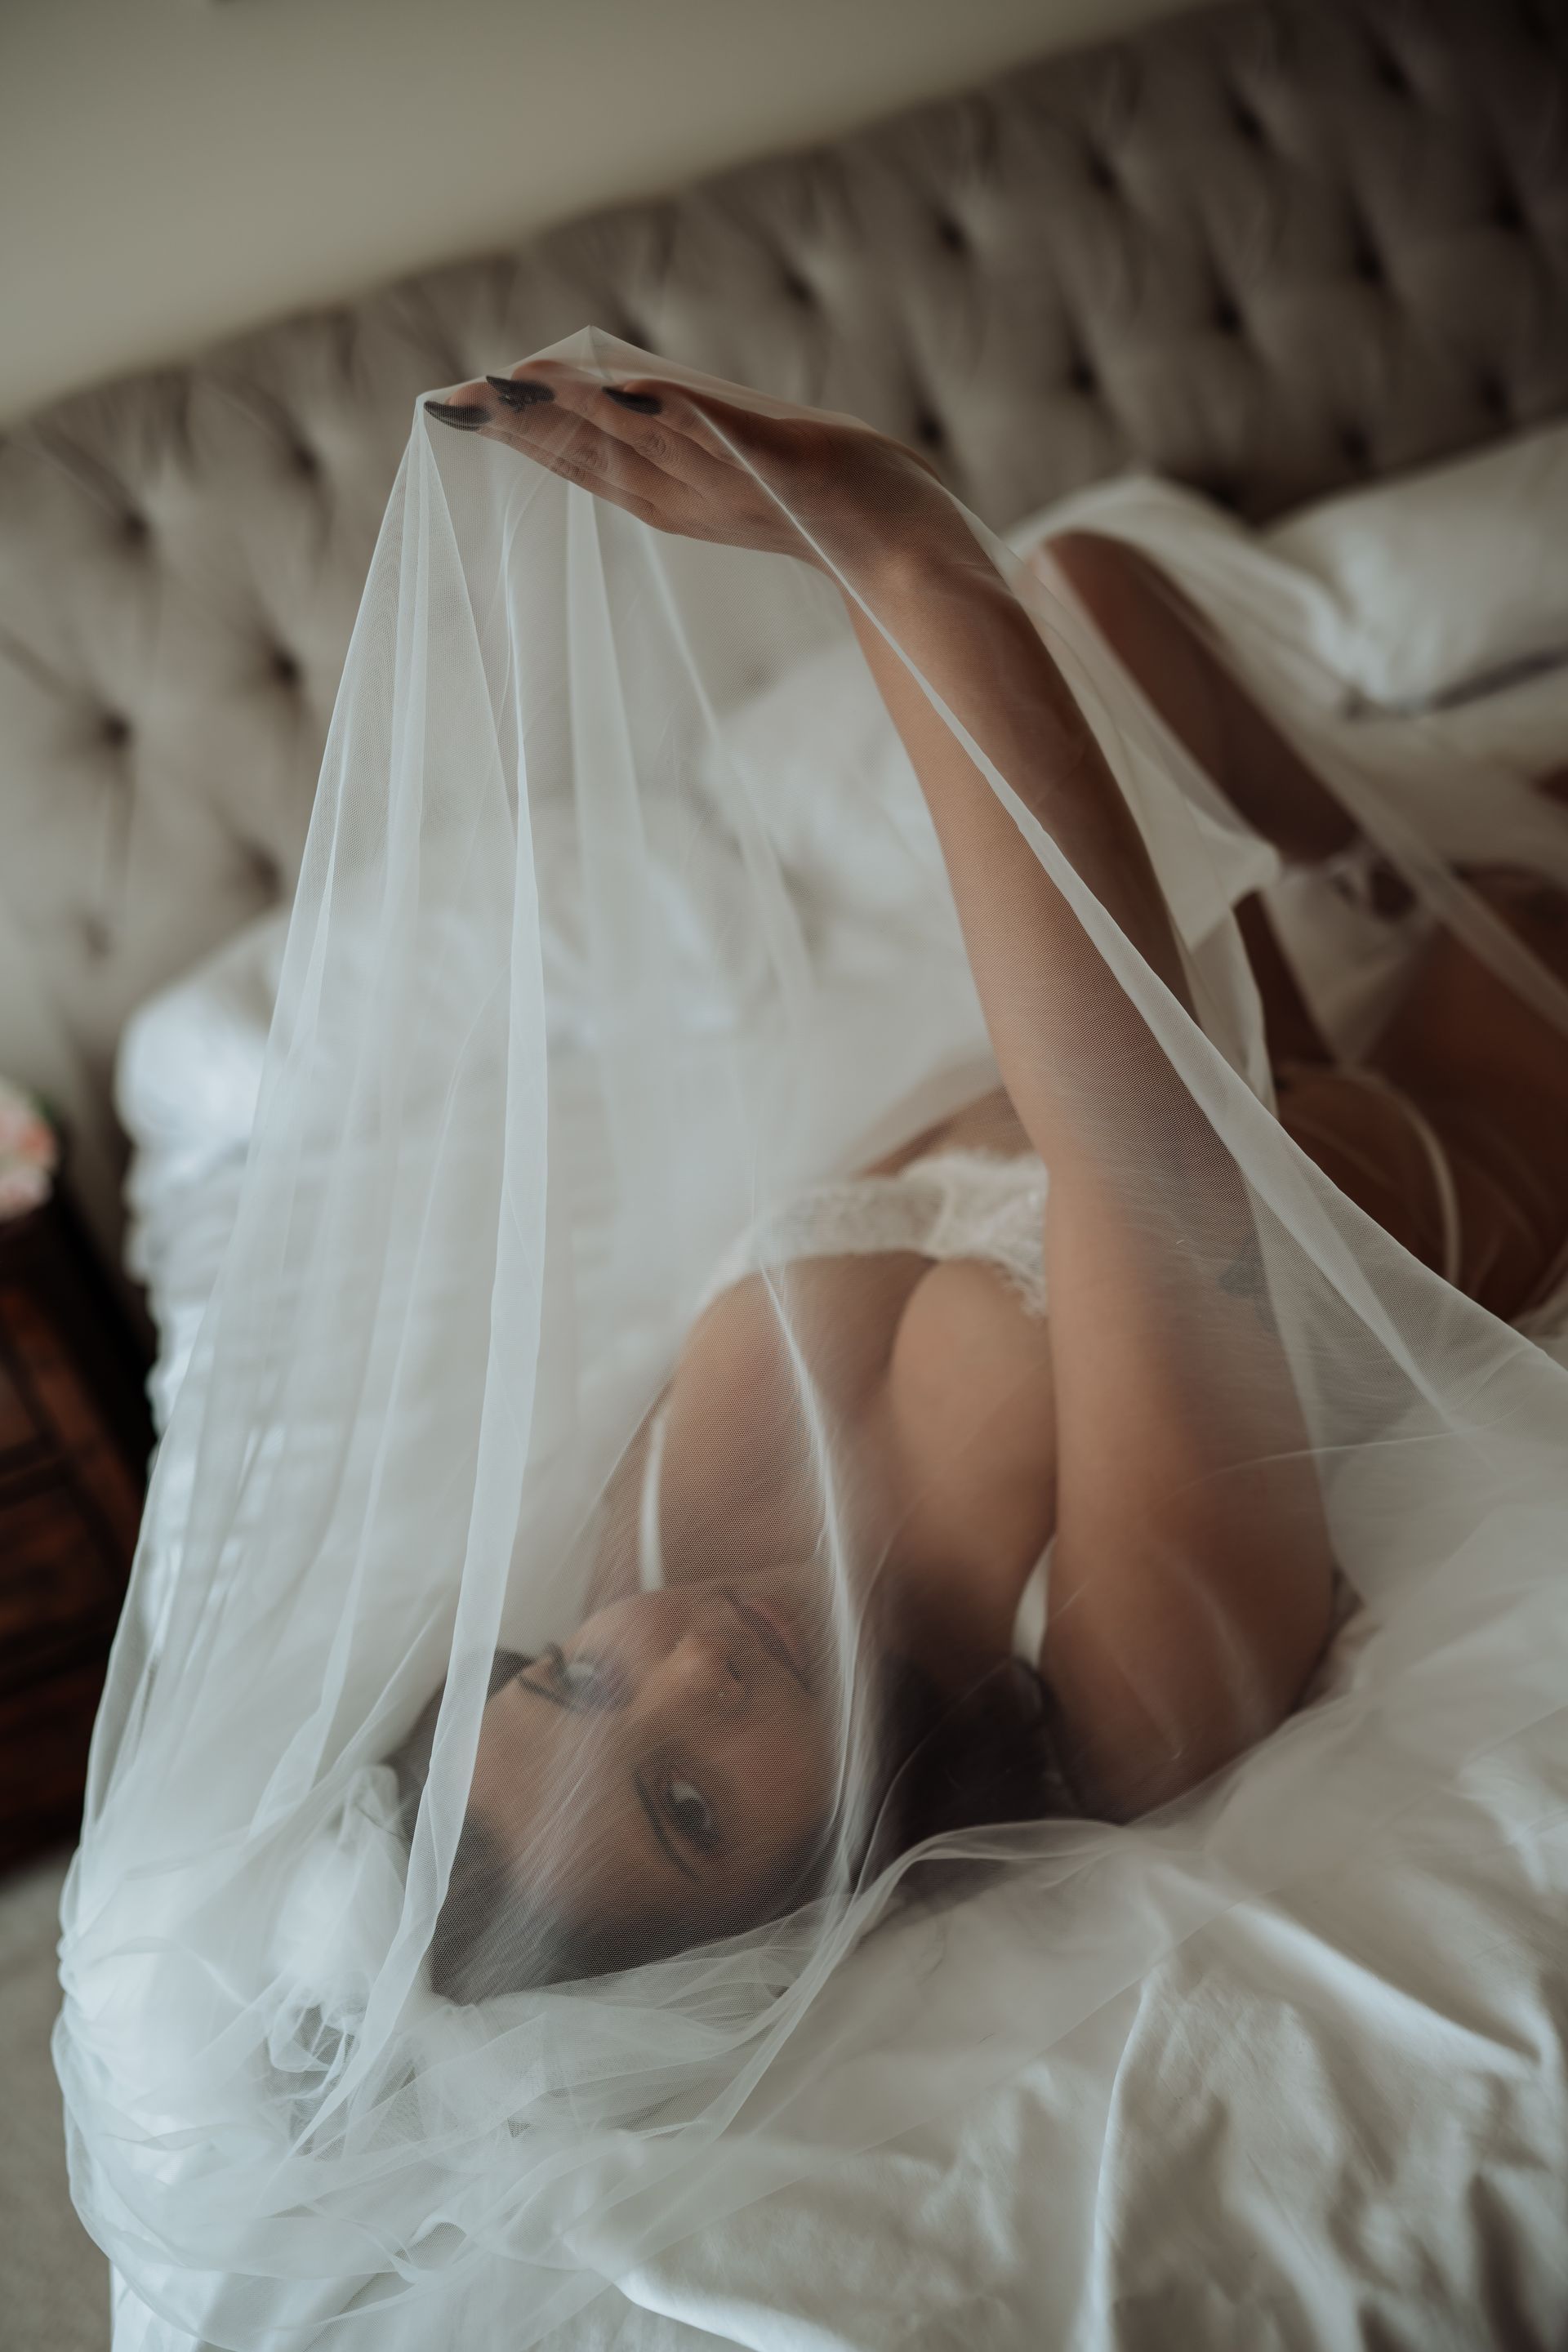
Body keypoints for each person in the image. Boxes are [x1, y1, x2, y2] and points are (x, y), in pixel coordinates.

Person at [404, 362, 1568, 1997]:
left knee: (1097, 594)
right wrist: (894, 553)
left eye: (576, 1693)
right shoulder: (1122, 1695)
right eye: (686, 1806)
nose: (689, 1673)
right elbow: (1129, 1138)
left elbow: (1048, 1094)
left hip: (1252, 1083)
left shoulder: (640, 1542)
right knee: (1520, 871)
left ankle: (1373, 859)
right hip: (1489, 1109)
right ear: (784, 1926)